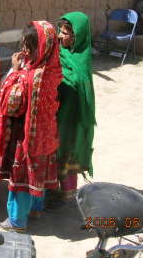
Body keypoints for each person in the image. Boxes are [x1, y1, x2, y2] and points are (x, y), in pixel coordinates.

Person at [0, 21, 62, 232]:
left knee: (22, 176)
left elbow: (10, 105)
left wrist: (14, 72)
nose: (24, 51)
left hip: (26, 138)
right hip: (46, 135)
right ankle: (36, 209)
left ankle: (17, 221)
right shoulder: (54, 68)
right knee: (38, 172)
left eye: (30, 47)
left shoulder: (30, 78)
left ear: (41, 48)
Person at [48, 12, 96, 208]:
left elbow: (77, 84)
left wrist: (60, 79)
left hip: (73, 119)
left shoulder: (81, 60)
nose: (60, 36)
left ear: (78, 37)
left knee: (69, 151)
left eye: (66, 33)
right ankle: (51, 189)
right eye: (60, 31)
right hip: (56, 115)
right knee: (51, 151)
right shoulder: (58, 53)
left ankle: (67, 192)